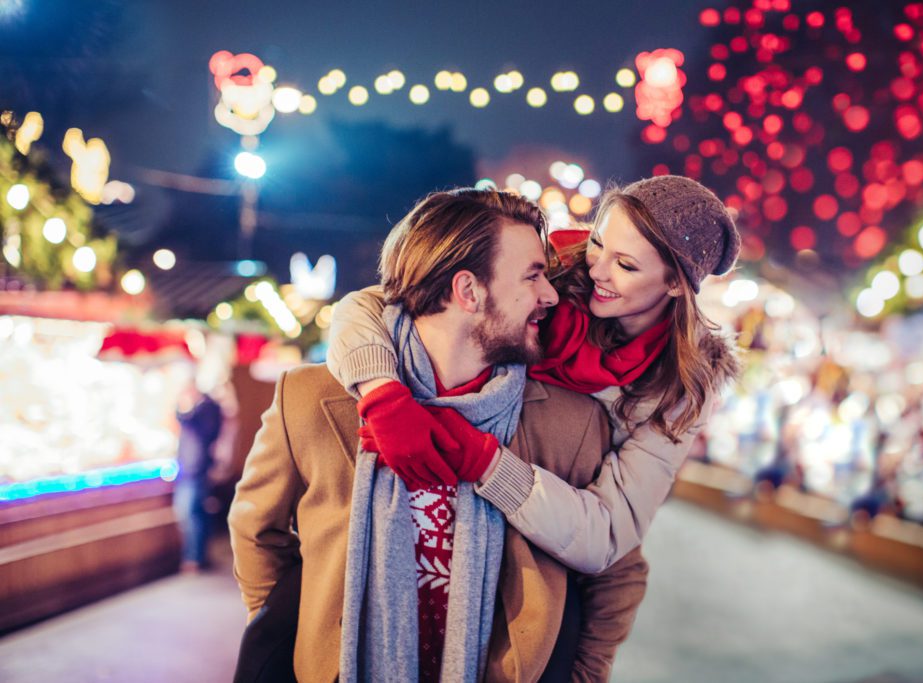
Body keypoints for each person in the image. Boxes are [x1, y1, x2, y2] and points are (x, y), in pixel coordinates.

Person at [228, 189, 647, 682]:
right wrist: (302, 636)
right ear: (468, 290)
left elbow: (615, 570)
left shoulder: (569, 424)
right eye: (533, 275)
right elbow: (256, 532)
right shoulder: (309, 399)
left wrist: (584, 675)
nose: (550, 295)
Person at [328, 175, 741, 575]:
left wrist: (485, 461)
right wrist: (383, 395)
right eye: (598, 243)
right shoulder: (553, 273)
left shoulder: (680, 387)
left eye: (627, 265)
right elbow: (377, 304)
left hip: (535, 544)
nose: (597, 271)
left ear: (674, 284)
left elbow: (611, 534)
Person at [174, 375, 223, 572]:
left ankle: (195, 557)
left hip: (197, 468)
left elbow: (196, 429)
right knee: (196, 512)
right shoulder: (202, 408)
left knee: (191, 512)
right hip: (190, 467)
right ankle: (197, 556)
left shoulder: (207, 408)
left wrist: (182, 408)